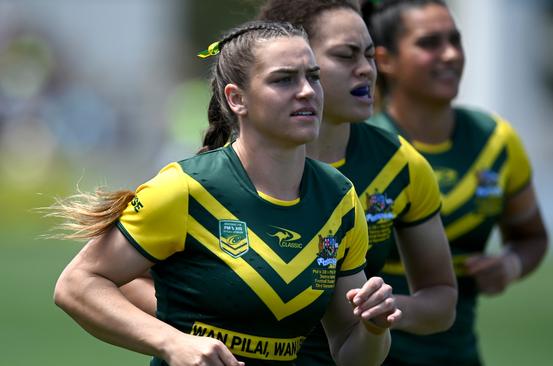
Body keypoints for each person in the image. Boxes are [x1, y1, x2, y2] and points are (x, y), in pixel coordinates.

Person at [50, 20, 402, 366]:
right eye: (284, 79)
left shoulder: (339, 198)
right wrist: (172, 342)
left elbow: (349, 352)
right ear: (237, 99)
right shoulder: (185, 188)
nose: (307, 91)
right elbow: (77, 285)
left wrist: (373, 328)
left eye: (313, 76)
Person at [256, 1, 458, 365]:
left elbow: (441, 301)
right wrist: (207, 319)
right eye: (346, 56)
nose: (366, 70)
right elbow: (134, 281)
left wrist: (384, 310)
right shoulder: (225, 165)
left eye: (369, 55)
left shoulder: (400, 165)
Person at [363, 1, 550, 365]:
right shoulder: (361, 145)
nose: (450, 54)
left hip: (459, 355)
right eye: (429, 43)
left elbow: (532, 237)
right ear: (385, 60)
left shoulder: (495, 140)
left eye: (455, 40)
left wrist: (509, 265)